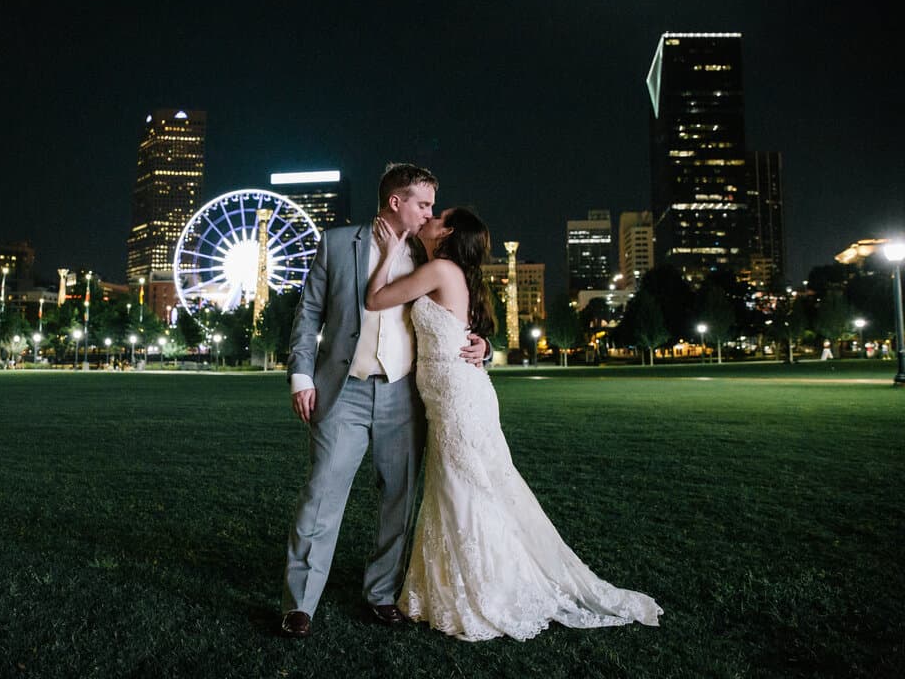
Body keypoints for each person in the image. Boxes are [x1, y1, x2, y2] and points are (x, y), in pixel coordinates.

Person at [366, 206, 662, 642]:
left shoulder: (441, 269)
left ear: (447, 232)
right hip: (451, 395)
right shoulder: (445, 269)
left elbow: (375, 299)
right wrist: (483, 346)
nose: (428, 217)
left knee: (463, 487)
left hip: (457, 398)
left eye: (438, 215)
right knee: (459, 487)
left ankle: (489, 588)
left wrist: (390, 250)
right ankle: (456, 585)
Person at [280, 163, 491, 638]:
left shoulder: (431, 252)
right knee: (321, 496)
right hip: (343, 392)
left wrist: (485, 346)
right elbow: (308, 312)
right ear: (396, 201)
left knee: (399, 499)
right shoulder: (336, 244)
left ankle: (380, 593)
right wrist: (301, 376)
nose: (430, 213)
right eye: (423, 204)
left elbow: (464, 312)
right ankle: (300, 604)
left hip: (405, 395)